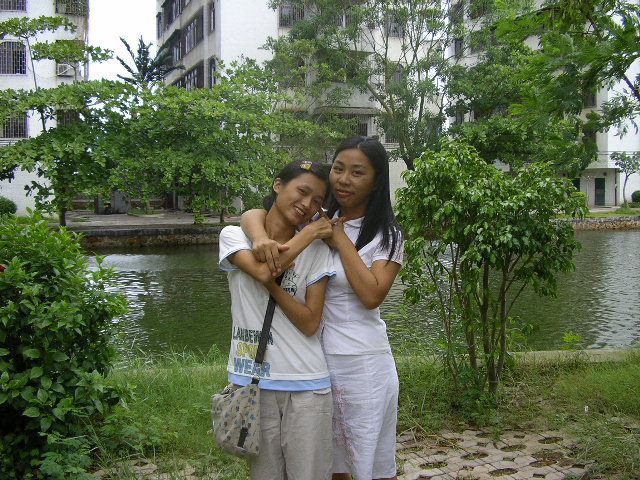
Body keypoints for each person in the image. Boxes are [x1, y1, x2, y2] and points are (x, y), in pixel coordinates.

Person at [241, 136, 404, 480]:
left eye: (357, 172)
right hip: (310, 362)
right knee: (325, 465)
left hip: (362, 364)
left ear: (376, 181)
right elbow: (259, 211)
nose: (344, 179)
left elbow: (372, 295)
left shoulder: (385, 234)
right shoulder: (314, 217)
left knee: (368, 465)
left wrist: (340, 239)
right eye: (339, 169)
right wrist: (258, 237)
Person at [219, 159, 338, 480]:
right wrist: (309, 232)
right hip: (253, 381)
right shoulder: (235, 236)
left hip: (306, 383)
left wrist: (274, 284)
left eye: (317, 201)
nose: (307, 204)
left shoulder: (317, 252)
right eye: (302, 191)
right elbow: (262, 271)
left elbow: (311, 323)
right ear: (278, 185)